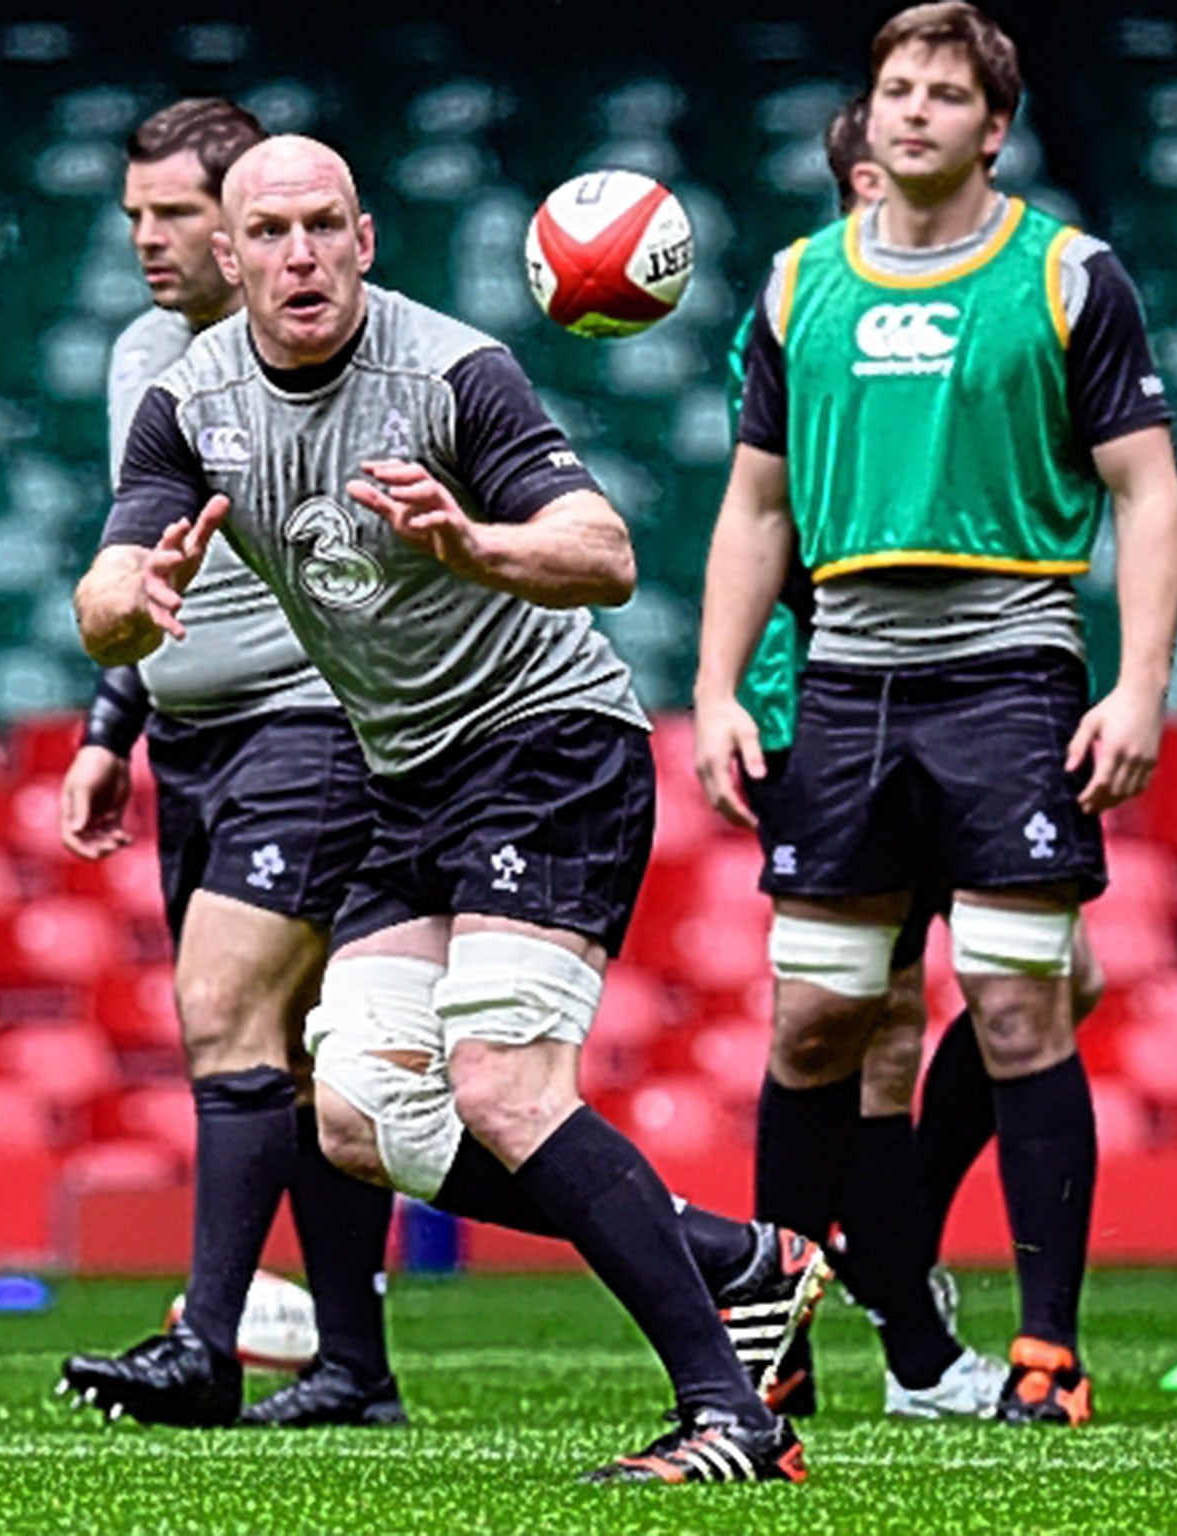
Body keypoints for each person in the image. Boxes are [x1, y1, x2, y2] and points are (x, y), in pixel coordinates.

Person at [75, 134, 807, 1485]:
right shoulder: (188, 400)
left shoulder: (452, 371)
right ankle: (740, 1258)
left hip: (547, 749)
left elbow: (606, 554)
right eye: (271, 233)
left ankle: (735, 1418)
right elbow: (105, 590)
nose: (301, 255)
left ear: (366, 239)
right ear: (228, 259)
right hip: (404, 774)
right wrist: (137, 599)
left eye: (324, 226)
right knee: (356, 1118)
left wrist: (479, 545)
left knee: (502, 1085)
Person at [695, 1, 1177, 1427]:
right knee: (815, 1029)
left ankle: (1045, 1356)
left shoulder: (1067, 276)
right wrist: (720, 688)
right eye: (896, 86)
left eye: (944, 93)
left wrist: (1139, 683)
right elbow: (755, 507)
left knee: (1027, 1004)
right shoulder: (798, 287)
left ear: (994, 126)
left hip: (1011, 670)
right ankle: (769, 1350)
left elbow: (1147, 487)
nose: (912, 109)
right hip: (843, 681)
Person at [56, 97, 405, 1432]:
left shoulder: (357, 360)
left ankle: (206, 1340)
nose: (149, 239)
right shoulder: (145, 354)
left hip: (316, 726)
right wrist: (110, 726)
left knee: (222, 1005)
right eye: (136, 214)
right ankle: (354, 1371)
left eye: (178, 214)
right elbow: (140, 559)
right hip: (196, 739)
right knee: (304, 1059)